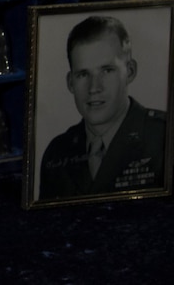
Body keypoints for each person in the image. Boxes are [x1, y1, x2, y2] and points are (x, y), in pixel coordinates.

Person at [39, 15, 166, 200]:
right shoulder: (57, 151)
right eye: (83, 74)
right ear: (70, 83)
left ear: (130, 71)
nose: (94, 88)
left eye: (107, 71)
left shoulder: (164, 137)